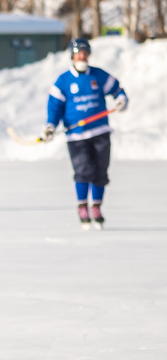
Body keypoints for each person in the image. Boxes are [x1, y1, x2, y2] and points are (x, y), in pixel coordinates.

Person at [43, 38, 128, 230]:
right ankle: (82, 206)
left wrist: (122, 100)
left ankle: (96, 207)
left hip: (100, 132)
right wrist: (50, 126)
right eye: (78, 53)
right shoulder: (63, 81)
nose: (82, 56)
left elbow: (117, 90)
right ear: (72, 56)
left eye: (85, 53)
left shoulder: (97, 75)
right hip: (76, 135)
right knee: (83, 171)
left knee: (100, 171)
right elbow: (54, 107)